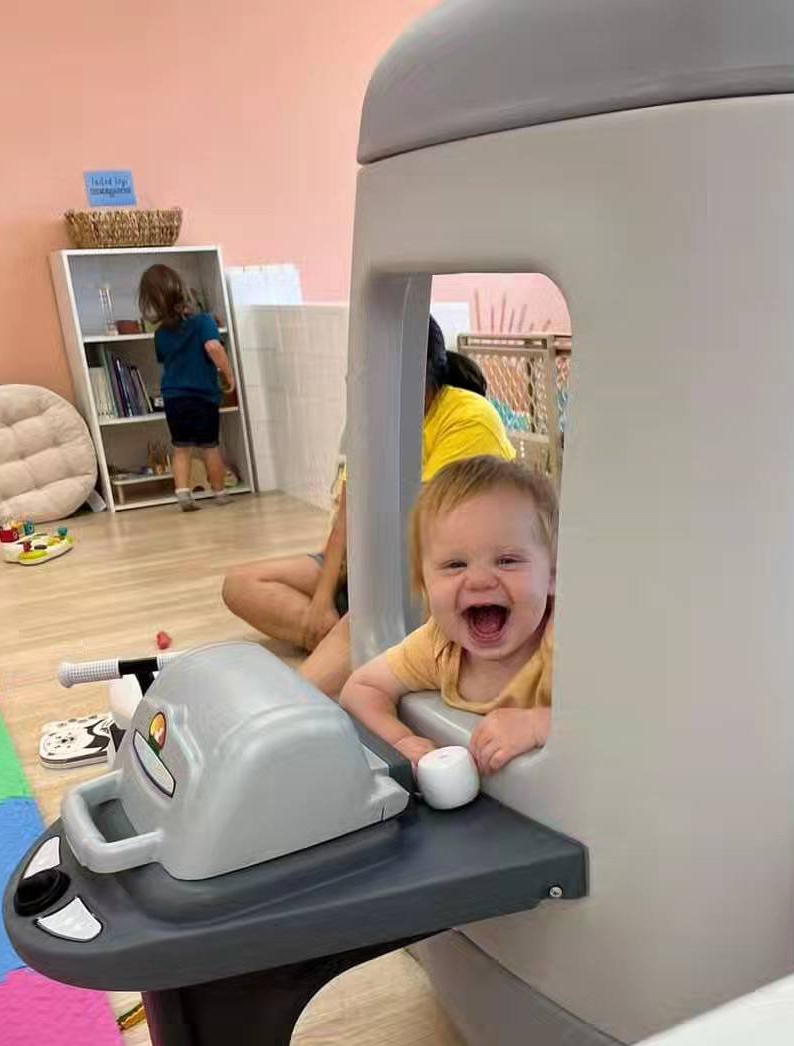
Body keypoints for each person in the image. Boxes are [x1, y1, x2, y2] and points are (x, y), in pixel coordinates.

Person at [222, 316, 516, 695]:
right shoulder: (373, 417)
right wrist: (323, 598)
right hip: (370, 570)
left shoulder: (469, 416)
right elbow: (351, 507)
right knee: (240, 585)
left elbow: (419, 529)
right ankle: (364, 642)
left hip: (425, 572)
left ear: (422, 372)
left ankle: (354, 647)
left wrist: (362, 600)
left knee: (351, 636)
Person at [341, 456, 556, 776]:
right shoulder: (439, 646)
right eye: (456, 565)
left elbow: (629, 717)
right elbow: (360, 690)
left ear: (554, 575)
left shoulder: (563, 645)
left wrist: (539, 724)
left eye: (507, 560)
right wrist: (400, 741)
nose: (480, 580)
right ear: (423, 585)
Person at [138, 265, 235, 511]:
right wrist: (228, 374)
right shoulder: (204, 322)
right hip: (203, 396)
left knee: (181, 448)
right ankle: (220, 493)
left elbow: (165, 359)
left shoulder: (160, 334)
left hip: (174, 398)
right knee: (210, 447)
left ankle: (183, 495)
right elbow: (213, 347)